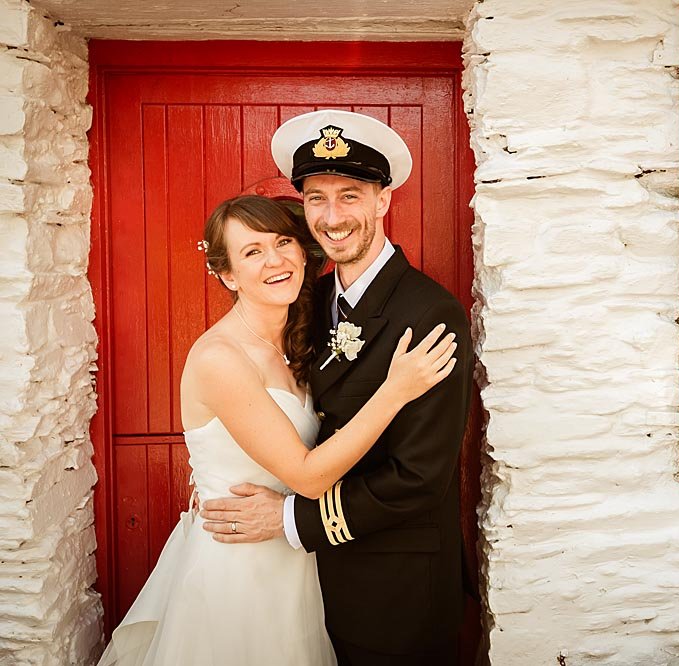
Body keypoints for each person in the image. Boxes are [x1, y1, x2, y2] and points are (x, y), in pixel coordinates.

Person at [97, 195, 457, 665]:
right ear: (227, 274)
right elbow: (307, 475)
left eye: (283, 242)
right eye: (252, 251)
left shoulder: (301, 335)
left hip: (301, 563)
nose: (275, 260)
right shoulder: (219, 358)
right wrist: (395, 390)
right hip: (241, 566)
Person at [199, 110, 474, 665]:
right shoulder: (311, 300)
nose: (332, 217)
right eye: (316, 199)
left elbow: (420, 477)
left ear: (383, 200)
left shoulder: (429, 313)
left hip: (394, 591)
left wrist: (289, 519)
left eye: (350, 196)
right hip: (306, 585)